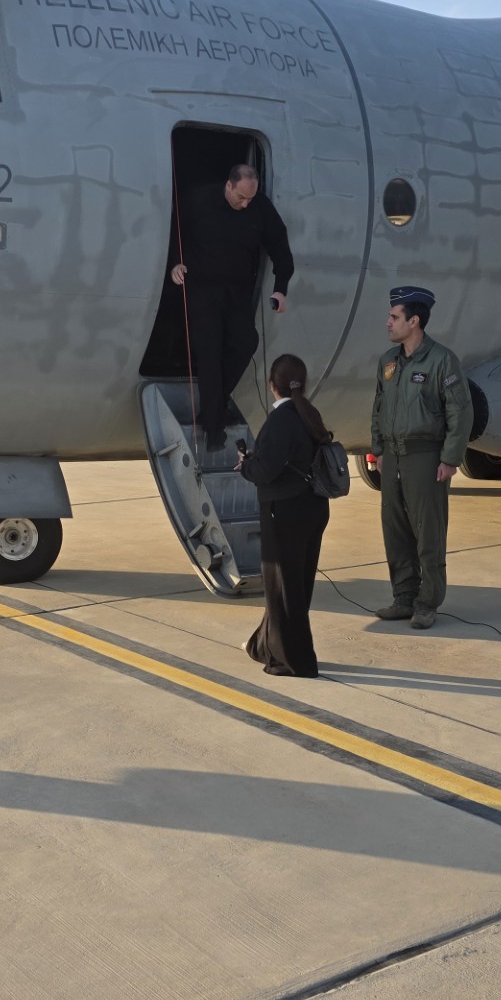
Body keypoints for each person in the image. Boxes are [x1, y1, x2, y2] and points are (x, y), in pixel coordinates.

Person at [169, 163, 295, 451]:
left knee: (246, 342)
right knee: (210, 351)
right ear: (228, 185)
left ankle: (214, 407)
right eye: (241, 197)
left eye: (250, 198)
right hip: (202, 289)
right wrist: (176, 262)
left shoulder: (259, 207)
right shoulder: (199, 200)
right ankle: (214, 431)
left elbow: (279, 245)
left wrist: (281, 288)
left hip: (237, 291)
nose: (245, 204)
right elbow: (175, 230)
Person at [370, 286, 469, 630]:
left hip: (425, 456)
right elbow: (378, 407)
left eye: (394, 317)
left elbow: (460, 411)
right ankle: (403, 598)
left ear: (414, 321)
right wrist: (378, 450)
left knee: (428, 533)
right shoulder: (388, 361)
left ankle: (427, 602)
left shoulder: (442, 360)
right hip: (393, 456)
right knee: (395, 530)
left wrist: (450, 458)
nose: (388, 322)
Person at [237, 353, 334, 678]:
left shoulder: (280, 420)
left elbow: (265, 470)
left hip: (286, 512)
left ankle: (292, 660)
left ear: (272, 385)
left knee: (282, 589)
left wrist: (246, 466)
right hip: (312, 508)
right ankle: (265, 644)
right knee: (296, 586)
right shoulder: (309, 413)